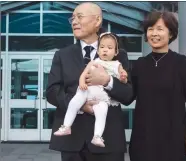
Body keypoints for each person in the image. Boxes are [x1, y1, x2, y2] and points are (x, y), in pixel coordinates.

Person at [46, 2, 133, 161]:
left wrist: (107, 81)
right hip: (72, 142)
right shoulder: (62, 55)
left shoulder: (118, 55)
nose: (74, 22)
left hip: (108, 141)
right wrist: (79, 105)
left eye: (79, 17)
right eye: (72, 18)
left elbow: (128, 95)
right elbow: (52, 92)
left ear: (97, 21)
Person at [128, 11, 186, 161]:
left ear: (171, 34)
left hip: (175, 140)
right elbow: (128, 97)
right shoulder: (140, 64)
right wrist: (108, 80)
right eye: (150, 29)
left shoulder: (181, 63)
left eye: (160, 29)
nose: (154, 33)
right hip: (143, 140)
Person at [53, 32, 128, 148]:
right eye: (102, 47)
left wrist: (115, 79)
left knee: (102, 111)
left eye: (109, 48)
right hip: (86, 91)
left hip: (102, 97)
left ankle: (97, 136)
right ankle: (66, 126)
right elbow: (83, 74)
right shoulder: (94, 62)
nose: (105, 50)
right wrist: (82, 82)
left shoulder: (117, 64)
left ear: (116, 52)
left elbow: (125, 85)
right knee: (74, 102)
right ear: (98, 50)